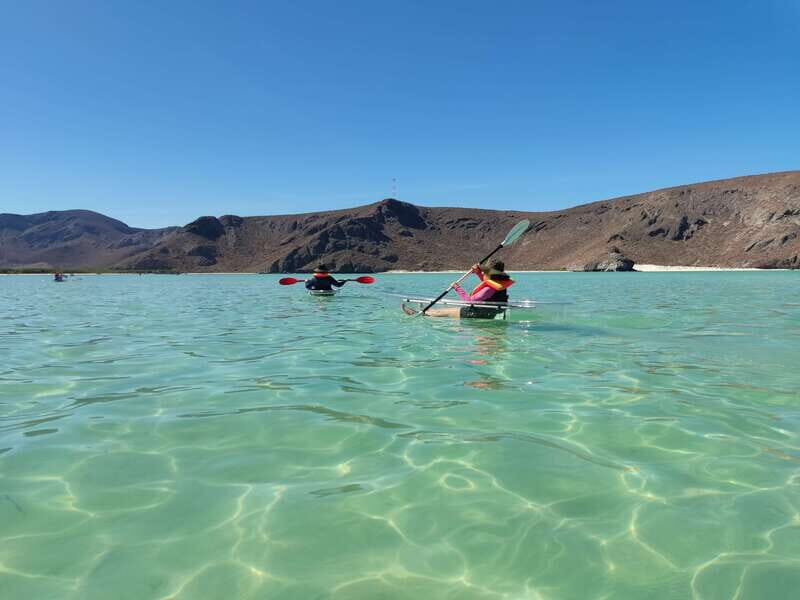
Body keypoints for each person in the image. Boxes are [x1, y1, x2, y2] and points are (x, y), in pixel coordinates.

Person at [422, 260, 514, 318]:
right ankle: (425, 312)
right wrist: (478, 272)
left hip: (476, 314)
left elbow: (469, 301)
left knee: (438, 312)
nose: (483, 272)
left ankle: (422, 313)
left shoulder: (489, 289)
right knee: (439, 311)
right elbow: (488, 282)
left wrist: (457, 288)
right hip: (488, 313)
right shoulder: (499, 282)